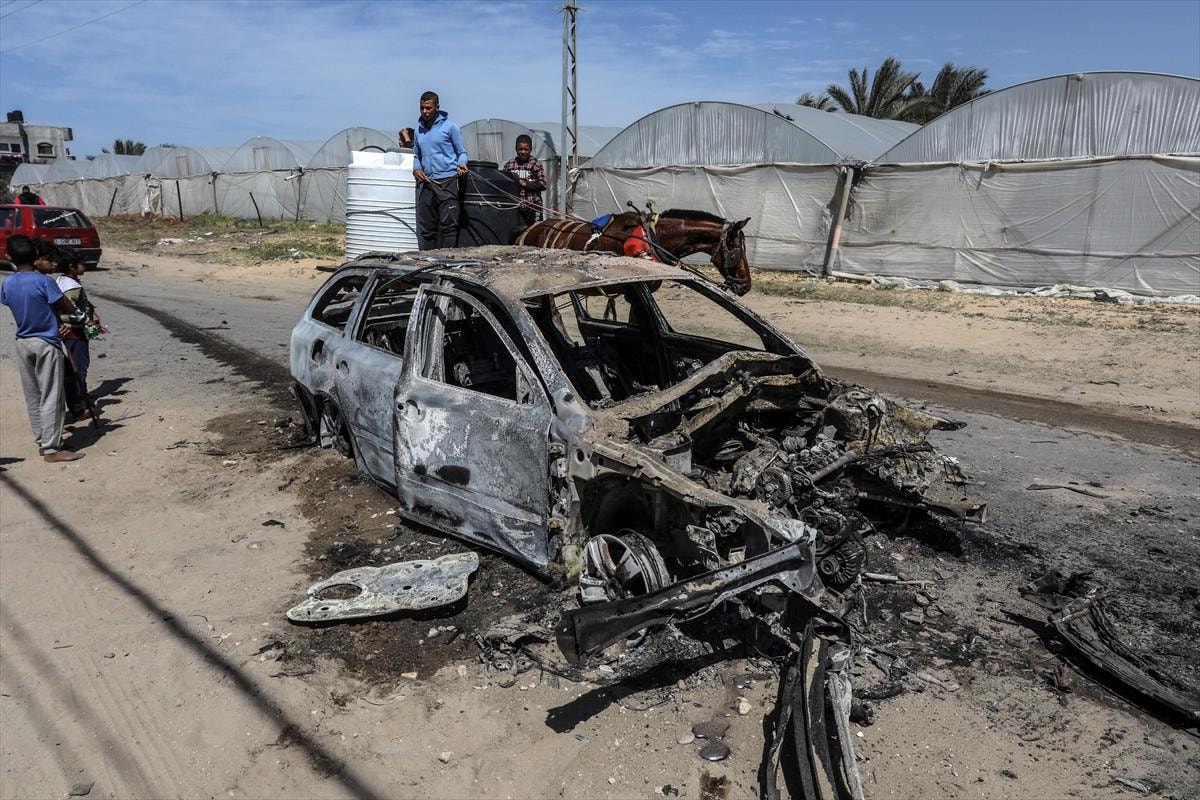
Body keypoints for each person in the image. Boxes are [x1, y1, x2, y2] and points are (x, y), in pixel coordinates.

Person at [0, 235, 84, 462]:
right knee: (52, 395)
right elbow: (66, 305)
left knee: (33, 394)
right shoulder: (43, 281)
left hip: (23, 342)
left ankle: (42, 440)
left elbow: (9, 301)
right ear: (36, 256)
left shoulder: (7, 282)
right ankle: (52, 449)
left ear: (8, 256)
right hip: (47, 342)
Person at [413, 91, 468, 250]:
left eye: (428, 108)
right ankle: (427, 259)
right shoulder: (418, 130)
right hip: (427, 182)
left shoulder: (450, 127)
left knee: (448, 226)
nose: (425, 111)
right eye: (422, 108)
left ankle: (446, 258)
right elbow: (416, 155)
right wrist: (416, 169)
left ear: (437, 107)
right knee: (426, 226)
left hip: (447, 182)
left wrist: (461, 164)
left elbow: (462, 152)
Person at [55, 248, 100, 420]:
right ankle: (81, 402)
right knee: (79, 366)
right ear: (72, 267)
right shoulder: (71, 286)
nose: (84, 266)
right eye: (81, 264)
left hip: (69, 329)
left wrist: (88, 305)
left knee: (76, 365)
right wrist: (87, 320)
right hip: (74, 330)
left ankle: (80, 396)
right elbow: (70, 307)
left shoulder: (62, 280)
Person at [503, 134, 547, 227]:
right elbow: (504, 185)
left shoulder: (536, 164)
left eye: (526, 149)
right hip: (516, 207)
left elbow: (543, 184)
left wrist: (523, 183)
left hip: (533, 207)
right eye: (520, 149)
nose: (523, 152)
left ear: (530, 149)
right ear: (516, 149)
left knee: (535, 232)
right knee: (518, 232)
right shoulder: (509, 165)